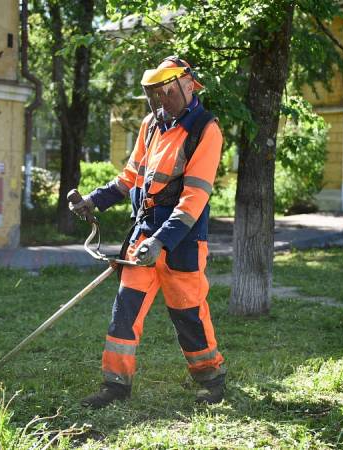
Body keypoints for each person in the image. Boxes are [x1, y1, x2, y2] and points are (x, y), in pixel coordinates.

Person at [68, 56, 226, 408]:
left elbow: (194, 198)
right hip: (143, 237)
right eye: (155, 96)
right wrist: (94, 201)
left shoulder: (205, 129)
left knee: (188, 313)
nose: (161, 102)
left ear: (188, 85)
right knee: (125, 310)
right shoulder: (151, 125)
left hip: (180, 241)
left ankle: (212, 379)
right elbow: (130, 177)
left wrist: (161, 241)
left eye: (166, 93)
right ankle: (115, 385)